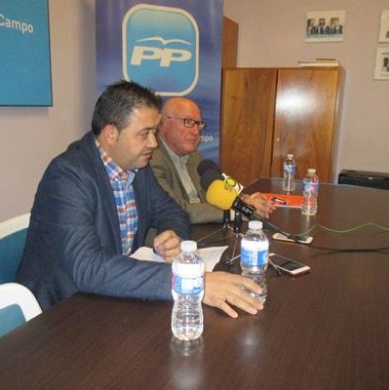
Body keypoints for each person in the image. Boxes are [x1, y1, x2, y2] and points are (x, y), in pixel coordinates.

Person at [17, 80, 264, 319]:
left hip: (112, 297)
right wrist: (190, 281)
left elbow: (172, 211)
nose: (154, 143)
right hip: (62, 312)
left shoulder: (137, 167)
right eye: (145, 133)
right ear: (111, 134)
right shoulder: (67, 177)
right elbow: (87, 267)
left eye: (154, 132)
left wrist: (173, 236)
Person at [150, 97, 275, 224]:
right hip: (170, 237)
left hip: (204, 230)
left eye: (198, 124)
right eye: (187, 122)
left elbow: (220, 183)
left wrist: (245, 200)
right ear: (163, 123)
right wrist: (237, 212)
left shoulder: (194, 155)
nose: (195, 131)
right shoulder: (152, 160)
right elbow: (178, 210)